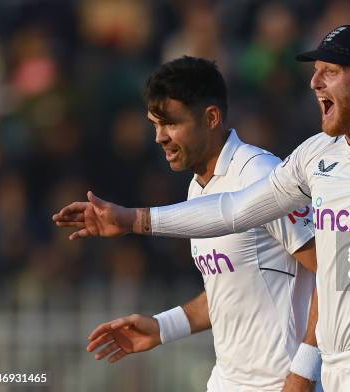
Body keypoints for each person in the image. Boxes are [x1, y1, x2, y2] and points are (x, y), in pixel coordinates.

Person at [55, 26, 350, 391]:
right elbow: (235, 212)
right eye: (316, 72)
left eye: (330, 72)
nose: (315, 83)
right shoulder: (317, 155)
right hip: (334, 369)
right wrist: (133, 220)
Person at [57, 56, 322, 392]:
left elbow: (328, 274)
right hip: (226, 382)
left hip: (280, 384)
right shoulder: (197, 187)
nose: (159, 138)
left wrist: (303, 373)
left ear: (211, 117)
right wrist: (162, 327)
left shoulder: (260, 174)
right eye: (154, 125)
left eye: (170, 123)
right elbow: (228, 290)